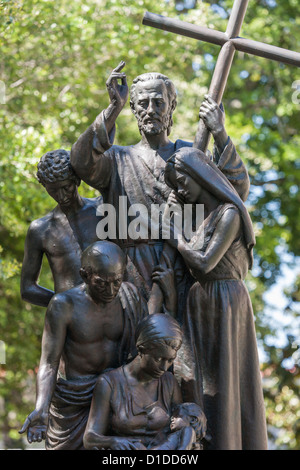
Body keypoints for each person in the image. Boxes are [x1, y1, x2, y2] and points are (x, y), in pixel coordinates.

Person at [70, 62, 250, 318]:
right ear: (132, 108)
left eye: (159, 102)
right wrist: (113, 109)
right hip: (130, 272)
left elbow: (235, 192)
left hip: (184, 265)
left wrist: (220, 133)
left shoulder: (192, 155)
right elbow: (80, 163)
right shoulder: (116, 158)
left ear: (172, 106)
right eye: (142, 103)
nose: (151, 110)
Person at [163, 146, 268, 450]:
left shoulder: (230, 213)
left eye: (182, 180)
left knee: (225, 381)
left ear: (199, 175)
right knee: (196, 381)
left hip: (225, 301)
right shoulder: (200, 218)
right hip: (199, 305)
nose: (180, 189)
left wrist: (177, 238)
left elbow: (205, 263)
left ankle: (228, 440)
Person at [19, 241, 150, 450]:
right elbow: (49, 362)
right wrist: (41, 408)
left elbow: (147, 348)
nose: (111, 289)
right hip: (75, 400)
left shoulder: (130, 296)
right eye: (101, 283)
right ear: (85, 275)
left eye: (117, 281)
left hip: (117, 399)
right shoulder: (64, 305)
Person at [83, 314, 206, 450]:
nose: (164, 368)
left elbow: (181, 428)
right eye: (158, 359)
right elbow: (90, 438)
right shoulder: (109, 383)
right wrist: (113, 442)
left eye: (170, 360)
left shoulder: (169, 382)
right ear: (141, 350)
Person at [20, 149, 102, 307]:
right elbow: (27, 289)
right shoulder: (41, 229)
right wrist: (65, 306)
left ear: (76, 180)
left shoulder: (102, 210)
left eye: (66, 188)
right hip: (70, 321)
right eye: (53, 190)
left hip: (112, 314)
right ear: (45, 187)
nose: (61, 196)